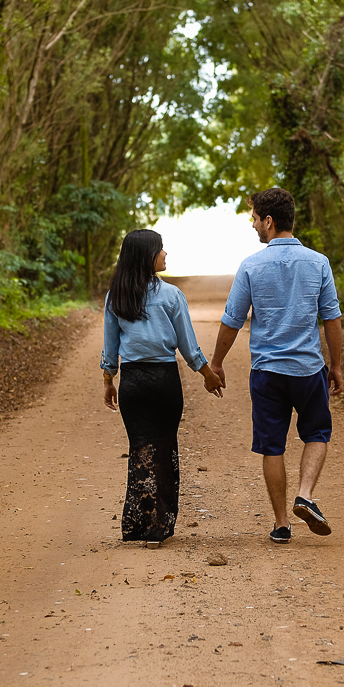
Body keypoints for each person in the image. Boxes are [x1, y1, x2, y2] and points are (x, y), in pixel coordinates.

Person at [209, 188, 343, 544]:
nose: (253, 226)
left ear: (269, 222)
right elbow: (332, 319)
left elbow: (232, 319)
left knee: (273, 446)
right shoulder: (318, 262)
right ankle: (306, 494)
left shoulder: (251, 265)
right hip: (307, 369)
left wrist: (216, 363)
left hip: (267, 372)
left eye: (254, 218)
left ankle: (282, 523)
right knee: (316, 434)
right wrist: (337, 365)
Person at [101, 229, 223, 549]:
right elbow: (188, 345)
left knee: (141, 450)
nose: (165, 254)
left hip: (132, 383)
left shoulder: (116, 296)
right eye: (161, 250)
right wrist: (207, 374)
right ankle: (158, 527)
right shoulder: (171, 295)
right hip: (164, 380)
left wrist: (108, 382)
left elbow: (110, 347)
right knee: (165, 448)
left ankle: (138, 524)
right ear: (146, 256)